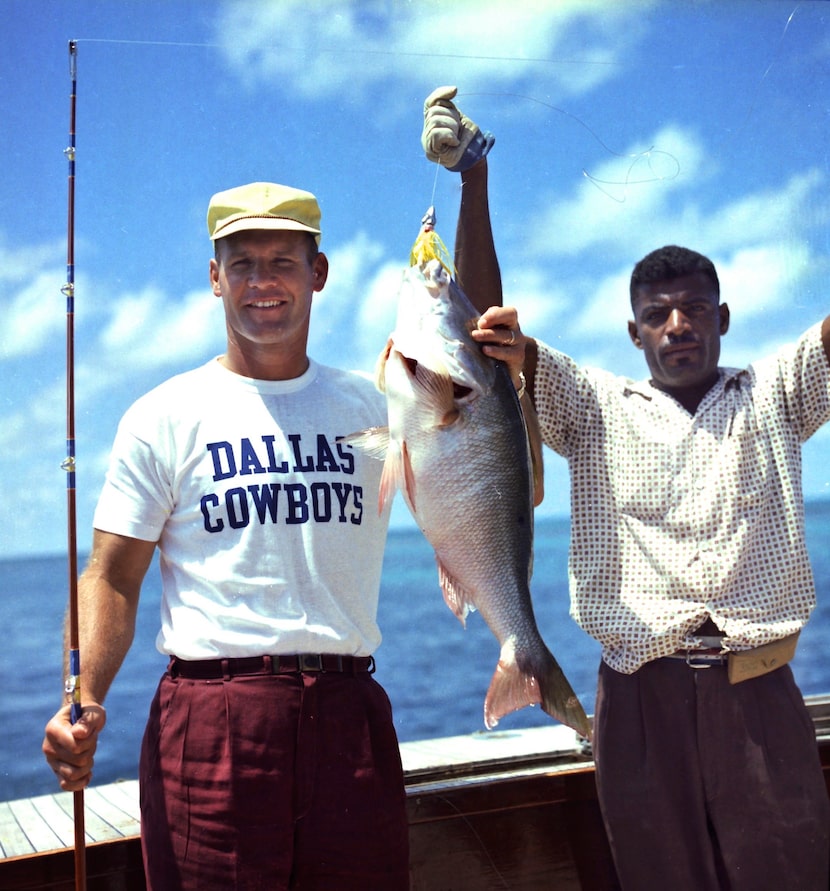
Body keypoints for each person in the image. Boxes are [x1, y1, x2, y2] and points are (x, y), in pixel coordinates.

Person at [42, 179, 526, 890]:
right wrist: (78, 696)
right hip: (212, 724)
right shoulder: (162, 415)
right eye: (241, 263)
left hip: (348, 716)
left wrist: (474, 188)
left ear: (318, 274)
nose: (261, 282)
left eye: (283, 262)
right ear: (214, 278)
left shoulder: (381, 401)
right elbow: (112, 576)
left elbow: (481, 400)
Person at [423, 87, 830, 889]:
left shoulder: (780, 390)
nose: (677, 323)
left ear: (723, 317)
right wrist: (472, 180)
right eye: (658, 313)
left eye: (693, 309)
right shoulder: (594, 403)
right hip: (639, 706)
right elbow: (484, 345)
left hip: (760, 694)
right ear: (633, 330)